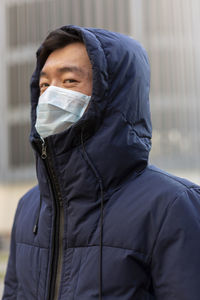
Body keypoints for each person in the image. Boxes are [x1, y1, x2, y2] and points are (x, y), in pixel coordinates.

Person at [2, 25, 200, 300]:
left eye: (69, 81)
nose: (50, 96)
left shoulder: (173, 205)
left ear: (113, 93)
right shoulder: (30, 205)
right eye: (44, 85)